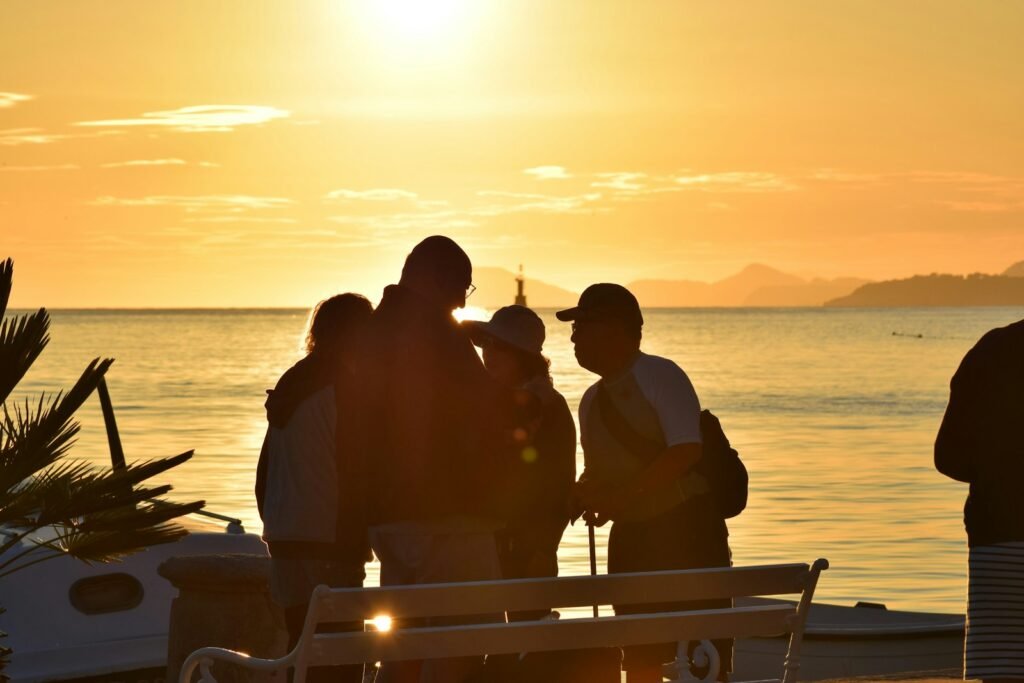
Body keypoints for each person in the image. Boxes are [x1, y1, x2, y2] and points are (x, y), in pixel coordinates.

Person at [346, 235, 515, 683]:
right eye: (461, 286)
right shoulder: (441, 336)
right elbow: (476, 416)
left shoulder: (372, 333)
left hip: (388, 515)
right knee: (462, 639)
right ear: (430, 280)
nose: (462, 299)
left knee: (404, 640)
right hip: (449, 515)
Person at [557, 283, 732, 683]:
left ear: (618, 330)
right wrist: (583, 492)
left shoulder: (659, 374)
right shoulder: (590, 400)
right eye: (574, 327)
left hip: (687, 533)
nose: (574, 335)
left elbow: (686, 450)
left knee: (704, 657)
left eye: (584, 325)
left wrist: (621, 496)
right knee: (638, 656)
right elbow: (599, 469)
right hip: (632, 539)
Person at [255, 293, 374, 683]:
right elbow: (358, 468)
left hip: (286, 541)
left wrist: (275, 520)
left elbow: (265, 470)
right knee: (341, 656)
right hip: (329, 542)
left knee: (301, 653)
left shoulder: (292, 381)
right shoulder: (345, 387)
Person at [464, 305, 576, 617]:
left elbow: (558, 482)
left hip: (527, 549)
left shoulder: (547, 406)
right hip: (491, 544)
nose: (490, 354)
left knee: (524, 644)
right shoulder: (502, 403)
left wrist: (543, 546)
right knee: (486, 643)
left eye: (500, 347)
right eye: (486, 344)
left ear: (523, 356)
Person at [935, 318, 1024, 683]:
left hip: (999, 546)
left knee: (1003, 671)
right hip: (998, 542)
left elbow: (948, 456)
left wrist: (1000, 470)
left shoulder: (992, 350)